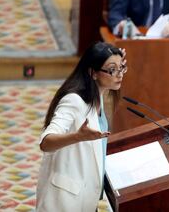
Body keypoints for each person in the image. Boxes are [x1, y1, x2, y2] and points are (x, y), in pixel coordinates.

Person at [36, 42, 127, 211]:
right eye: (112, 70)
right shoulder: (74, 101)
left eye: (121, 68)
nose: (119, 75)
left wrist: (115, 62)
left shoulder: (97, 97)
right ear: (93, 73)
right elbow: (46, 143)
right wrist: (77, 136)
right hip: (64, 199)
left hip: (86, 195)